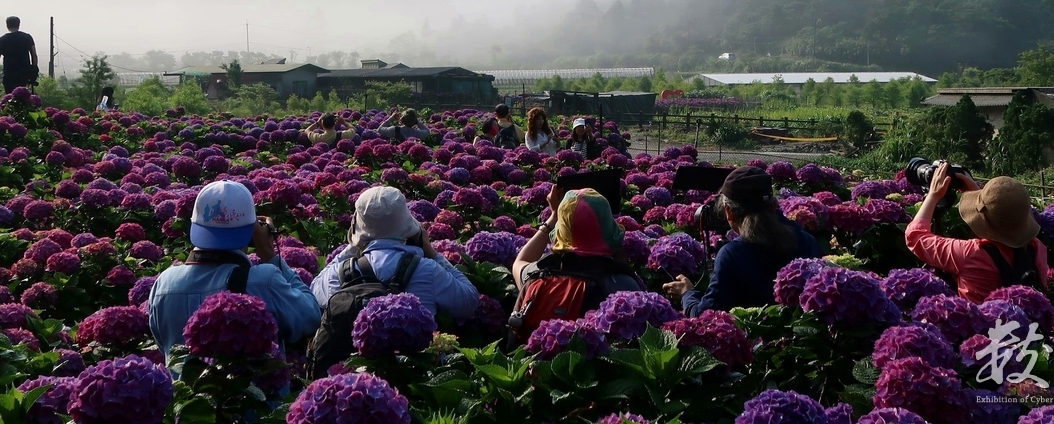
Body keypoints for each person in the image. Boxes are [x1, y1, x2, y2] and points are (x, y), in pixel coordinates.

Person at [148, 181, 320, 366]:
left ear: (195, 225)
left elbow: (164, 348)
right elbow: (310, 316)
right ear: (253, 231)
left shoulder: (163, 284)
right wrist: (269, 254)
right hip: (251, 386)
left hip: (183, 385)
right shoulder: (264, 281)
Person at [662, 166, 818, 313]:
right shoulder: (807, 241)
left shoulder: (733, 254)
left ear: (729, 212)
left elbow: (706, 316)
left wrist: (687, 294)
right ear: (774, 206)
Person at [311, 186, 478, 319]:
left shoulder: (338, 273)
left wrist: (353, 246)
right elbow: (469, 302)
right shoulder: (428, 270)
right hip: (414, 353)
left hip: (352, 353)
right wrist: (432, 252)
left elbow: (314, 290)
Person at [905, 162, 1048, 303]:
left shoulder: (970, 254)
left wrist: (933, 195)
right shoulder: (1037, 249)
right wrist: (978, 197)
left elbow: (915, 237)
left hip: (977, 318)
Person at [509, 185, 643, 336]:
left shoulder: (537, 275)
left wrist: (553, 217)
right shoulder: (623, 285)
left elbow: (521, 261)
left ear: (560, 232)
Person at [0, 17, 38, 94]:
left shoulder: (2, 39)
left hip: (9, 74)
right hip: (24, 73)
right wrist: (34, 69)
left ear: (7, 25)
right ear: (19, 25)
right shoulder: (27, 37)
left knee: (10, 97)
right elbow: (34, 55)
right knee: (22, 96)